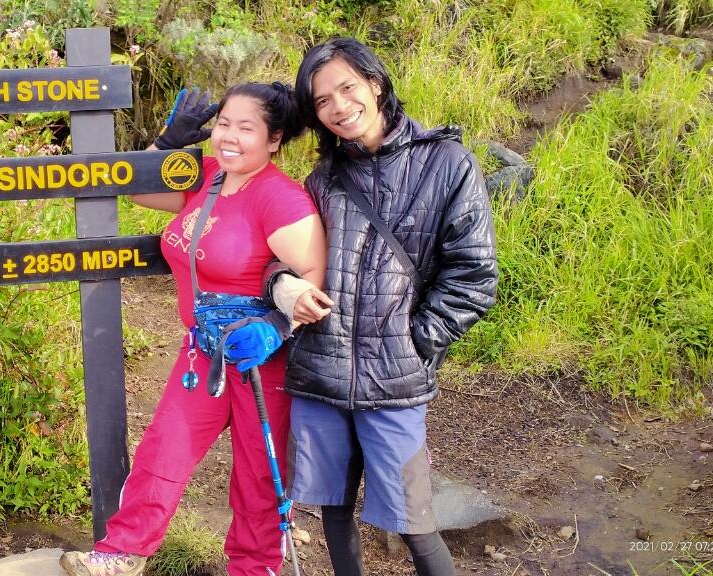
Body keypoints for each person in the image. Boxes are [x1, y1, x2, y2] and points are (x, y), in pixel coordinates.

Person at [59, 83, 327, 576]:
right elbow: (136, 187)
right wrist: (165, 144)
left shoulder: (280, 199)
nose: (229, 136)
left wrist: (275, 324)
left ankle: (254, 567)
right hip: (203, 351)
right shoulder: (203, 176)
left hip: (260, 359)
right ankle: (121, 554)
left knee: (257, 475)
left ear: (274, 139)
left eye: (246, 128)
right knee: (164, 448)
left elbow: (315, 278)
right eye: (223, 123)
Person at [259, 38, 499, 576]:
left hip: (395, 380)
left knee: (414, 521)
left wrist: (418, 340)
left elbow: (475, 276)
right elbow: (279, 258)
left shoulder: (447, 165)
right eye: (322, 101)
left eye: (347, 88)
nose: (339, 106)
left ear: (376, 83)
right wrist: (283, 287)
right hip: (321, 370)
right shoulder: (322, 181)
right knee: (334, 509)